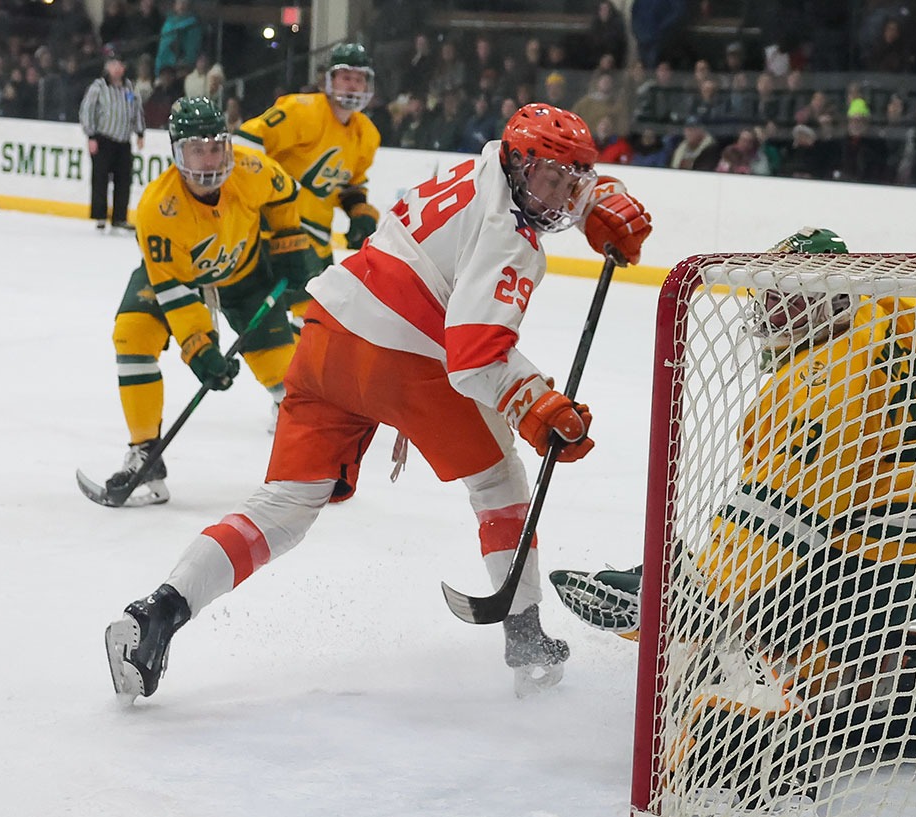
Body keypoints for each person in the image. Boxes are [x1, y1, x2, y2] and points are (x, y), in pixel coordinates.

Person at [103, 103, 654, 701]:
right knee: (499, 483)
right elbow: (473, 354)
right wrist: (535, 405)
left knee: (287, 503)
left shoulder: (481, 167)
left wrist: (599, 194)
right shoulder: (510, 238)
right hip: (406, 360)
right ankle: (526, 642)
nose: (563, 196)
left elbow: (453, 263)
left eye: (575, 180)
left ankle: (156, 615)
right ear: (521, 164)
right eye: (554, 178)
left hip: (329, 336)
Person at [549, 228, 916, 814]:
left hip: (859, 563)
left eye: (795, 299)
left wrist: (691, 594)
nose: (777, 313)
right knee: (807, 643)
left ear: (836, 299)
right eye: (772, 298)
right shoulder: (891, 333)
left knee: (729, 644)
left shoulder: (826, 378)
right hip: (913, 561)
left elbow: (782, 514)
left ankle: (741, 766)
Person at [93, 97, 320, 508]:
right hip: (180, 277)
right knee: (133, 334)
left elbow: (285, 193)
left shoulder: (252, 170)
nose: (209, 160)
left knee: (285, 377)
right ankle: (145, 451)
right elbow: (176, 294)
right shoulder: (157, 210)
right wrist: (198, 348)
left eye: (216, 146)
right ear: (177, 151)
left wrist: (288, 244)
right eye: (197, 148)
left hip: (246, 275)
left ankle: (314, 463)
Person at [234, 42, 382, 283]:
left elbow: (350, 186)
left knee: (319, 314)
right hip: (276, 231)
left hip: (317, 239)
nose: (353, 86)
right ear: (330, 80)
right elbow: (246, 141)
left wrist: (359, 213)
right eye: (346, 77)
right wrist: (258, 197)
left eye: (359, 79)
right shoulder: (301, 110)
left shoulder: (367, 134)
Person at [79, 45, 143, 234]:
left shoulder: (130, 88)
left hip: (123, 141)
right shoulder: (98, 87)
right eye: (113, 64)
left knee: (124, 180)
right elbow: (87, 111)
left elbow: (136, 110)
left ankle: (119, 218)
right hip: (103, 138)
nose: (116, 68)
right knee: (100, 179)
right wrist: (91, 135)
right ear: (107, 67)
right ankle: (100, 216)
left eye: (119, 65)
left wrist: (140, 132)